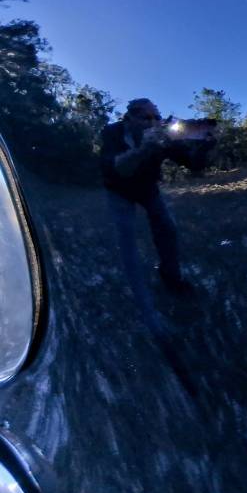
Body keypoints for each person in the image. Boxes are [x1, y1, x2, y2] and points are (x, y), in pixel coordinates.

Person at [100, 99, 193, 327]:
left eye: (157, 117)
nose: (154, 122)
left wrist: (202, 143)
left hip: (147, 188)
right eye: (146, 117)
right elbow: (118, 168)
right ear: (129, 119)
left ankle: (171, 277)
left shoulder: (162, 135)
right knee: (127, 240)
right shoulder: (112, 132)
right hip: (119, 190)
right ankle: (142, 304)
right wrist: (144, 150)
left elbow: (191, 161)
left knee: (167, 229)